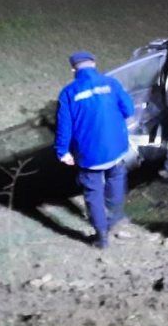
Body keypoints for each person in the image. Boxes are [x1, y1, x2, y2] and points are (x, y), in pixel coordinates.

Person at [55, 51, 135, 248]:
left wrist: (63, 151)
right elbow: (129, 110)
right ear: (94, 64)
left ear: (73, 70)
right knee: (116, 180)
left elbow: (64, 126)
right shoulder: (111, 83)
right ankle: (114, 218)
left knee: (93, 192)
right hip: (116, 148)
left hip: (89, 154)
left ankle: (101, 236)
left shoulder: (68, 93)